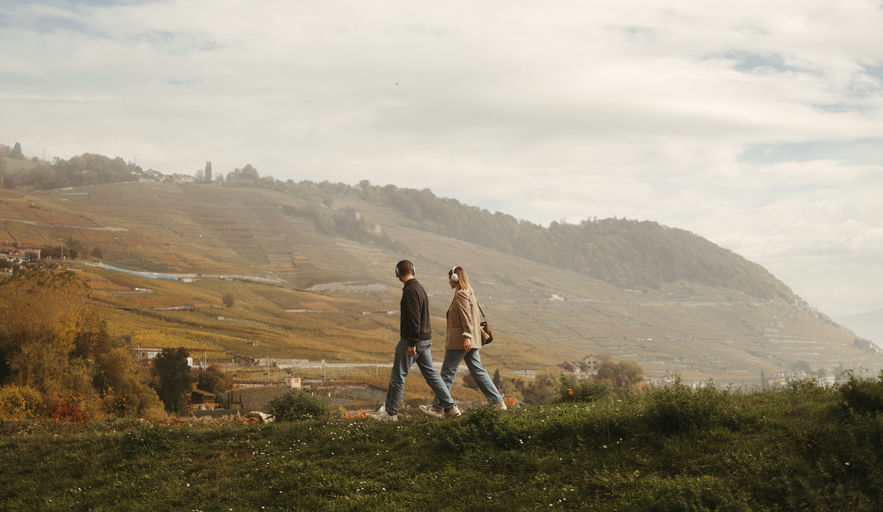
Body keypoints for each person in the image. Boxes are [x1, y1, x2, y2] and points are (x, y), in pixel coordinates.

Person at [371, 259, 461, 421]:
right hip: (425, 340)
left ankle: (390, 413)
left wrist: (412, 342)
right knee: (432, 376)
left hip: (412, 341)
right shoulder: (419, 288)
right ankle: (451, 407)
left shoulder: (410, 291)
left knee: (398, 376)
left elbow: (413, 319)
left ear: (398, 273)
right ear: (413, 270)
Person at [421, 266, 506, 416]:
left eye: (450, 278)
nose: (448, 281)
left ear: (455, 278)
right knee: (477, 370)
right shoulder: (470, 294)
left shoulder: (460, 295)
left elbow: (466, 317)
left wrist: (466, 336)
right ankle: (497, 401)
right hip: (471, 340)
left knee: (447, 373)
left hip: (460, 340)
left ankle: (437, 408)